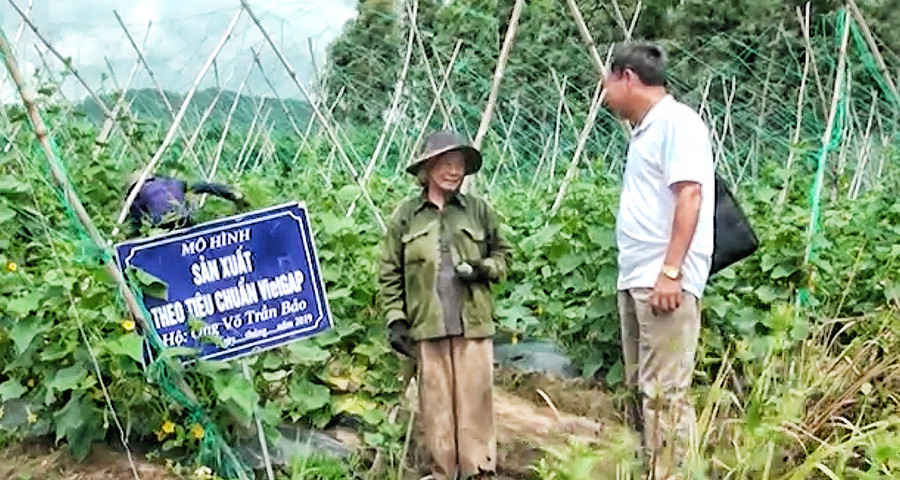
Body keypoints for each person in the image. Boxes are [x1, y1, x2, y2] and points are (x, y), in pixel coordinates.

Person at [602, 43, 715, 479]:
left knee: (665, 394)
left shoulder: (676, 123)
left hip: (662, 280)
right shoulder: (648, 130)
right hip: (641, 278)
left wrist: (671, 272)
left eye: (608, 85)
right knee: (645, 390)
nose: (607, 97)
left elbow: (689, 195)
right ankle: (656, 471)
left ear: (627, 78)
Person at [378, 130, 511, 480]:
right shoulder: (406, 216)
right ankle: (442, 473)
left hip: (473, 323)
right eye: (447, 164)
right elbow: (389, 271)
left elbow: (504, 255)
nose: (454, 171)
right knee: (436, 407)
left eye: (460, 165)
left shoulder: (478, 211)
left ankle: (479, 472)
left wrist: (484, 268)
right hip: (427, 325)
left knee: (475, 405)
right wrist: (396, 319)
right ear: (428, 167)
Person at [125, 171, 248, 237]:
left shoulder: (137, 196)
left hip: (162, 224)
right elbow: (202, 187)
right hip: (184, 216)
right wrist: (230, 193)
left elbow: (137, 223)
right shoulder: (170, 182)